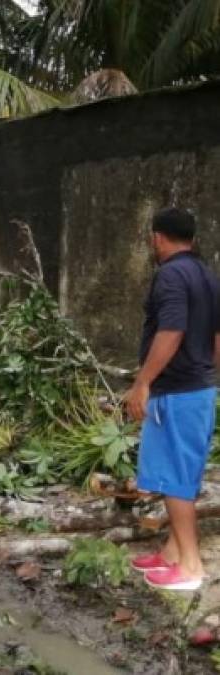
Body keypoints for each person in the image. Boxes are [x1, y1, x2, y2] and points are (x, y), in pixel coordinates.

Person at [126, 207, 220, 591]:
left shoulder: (169, 275)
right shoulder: (207, 277)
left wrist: (142, 383)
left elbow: (171, 331)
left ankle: (192, 567)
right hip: (197, 388)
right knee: (177, 473)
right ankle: (170, 553)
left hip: (177, 391)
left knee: (177, 479)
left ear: (157, 238)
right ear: (193, 238)